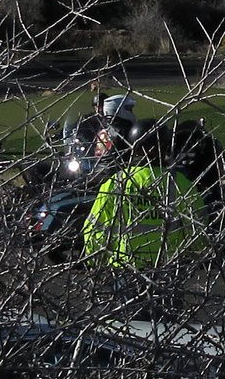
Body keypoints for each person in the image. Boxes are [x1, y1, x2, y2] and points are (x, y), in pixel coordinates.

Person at [81, 94, 209, 267]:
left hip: (125, 266)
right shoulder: (181, 184)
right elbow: (199, 229)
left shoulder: (116, 183)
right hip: (169, 267)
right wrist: (193, 258)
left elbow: (95, 230)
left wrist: (99, 262)